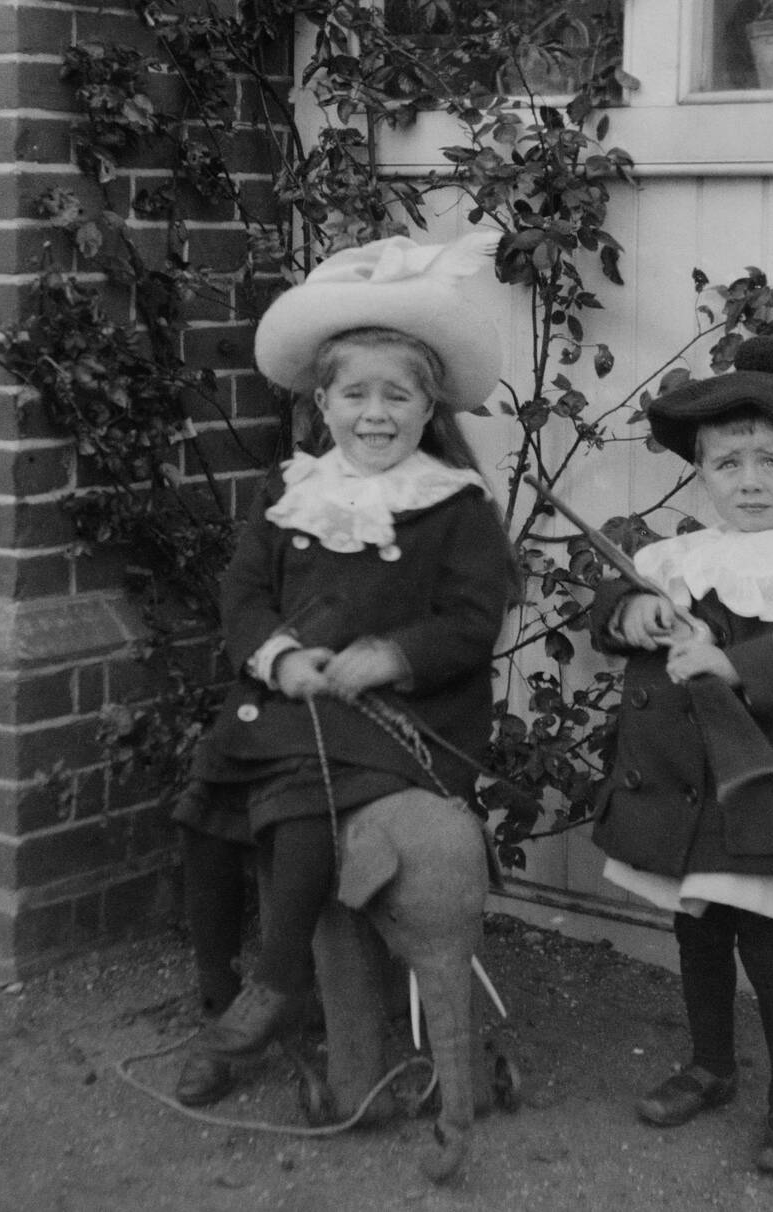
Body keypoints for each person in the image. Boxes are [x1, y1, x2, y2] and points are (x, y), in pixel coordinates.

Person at [171, 230, 516, 1106]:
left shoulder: (453, 507)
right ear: (320, 405)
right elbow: (243, 597)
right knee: (205, 815)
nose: (375, 414)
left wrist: (392, 655)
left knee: (302, 807)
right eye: (354, 394)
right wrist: (280, 656)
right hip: (294, 701)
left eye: (396, 396)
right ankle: (221, 1001)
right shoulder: (296, 497)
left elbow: (474, 621)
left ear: (426, 409)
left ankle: (277, 987)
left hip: (405, 723)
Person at [589, 335, 773, 1174]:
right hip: (684, 797)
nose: (749, 482)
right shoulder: (676, 561)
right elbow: (613, 608)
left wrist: (738, 663)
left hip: (764, 795)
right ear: (701, 473)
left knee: (771, 947)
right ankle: (712, 1065)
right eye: (727, 465)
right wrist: (629, 615)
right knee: (698, 935)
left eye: (770, 462)